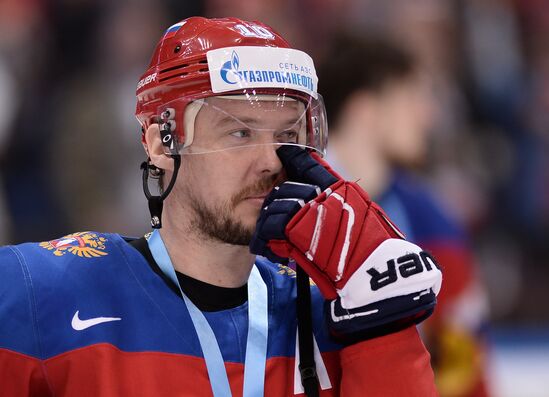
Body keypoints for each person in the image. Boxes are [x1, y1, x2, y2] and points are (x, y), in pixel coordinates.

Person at [0, 17, 442, 396]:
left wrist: (384, 328)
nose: (271, 161)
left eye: (286, 134)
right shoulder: (42, 293)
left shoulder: (332, 316)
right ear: (160, 142)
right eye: (240, 133)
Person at [318, 33, 490, 397]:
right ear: (366, 109)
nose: (428, 115)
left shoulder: (429, 214)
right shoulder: (289, 207)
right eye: (413, 97)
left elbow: (465, 359)